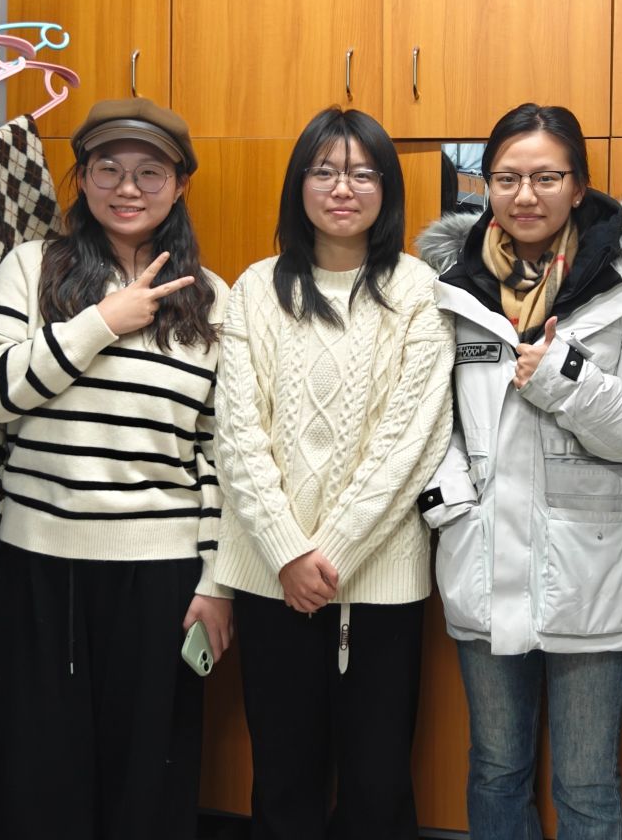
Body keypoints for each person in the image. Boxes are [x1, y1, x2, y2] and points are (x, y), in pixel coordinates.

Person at [415, 103, 622, 840]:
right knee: (494, 769)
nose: (525, 195)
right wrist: (449, 504)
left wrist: (565, 378)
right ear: (486, 185)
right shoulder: (449, 291)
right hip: (481, 556)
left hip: (591, 571)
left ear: (578, 186)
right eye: (507, 178)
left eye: (545, 177)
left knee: (588, 783)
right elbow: (423, 417)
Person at [0, 98, 231, 840]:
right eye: (108, 169)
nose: (128, 188)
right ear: (81, 178)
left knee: (148, 785)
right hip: (42, 569)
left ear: (179, 185)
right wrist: (100, 324)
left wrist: (216, 583)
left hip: (163, 577)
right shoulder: (31, 268)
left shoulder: (212, 300)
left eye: (150, 173)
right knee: (39, 784)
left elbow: (219, 455)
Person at [212, 107, 455, 840]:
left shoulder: (418, 289)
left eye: (360, 172)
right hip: (271, 577)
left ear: (387, 188)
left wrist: (335, 551)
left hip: (381, 581)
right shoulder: (257, 288)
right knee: (283, 782)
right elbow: (237, 434)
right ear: (299, 185)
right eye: (324, 171)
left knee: (378, 786)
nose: (342, 188)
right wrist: (288, 551)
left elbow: (412, 441)